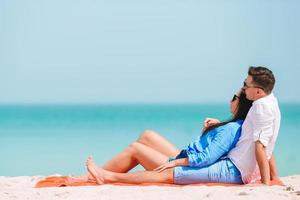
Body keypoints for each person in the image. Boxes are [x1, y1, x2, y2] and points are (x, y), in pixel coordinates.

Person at [84, 90, 253, 185]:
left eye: (234, 97)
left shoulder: (231, 128)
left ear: (241, 103)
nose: (230, 100)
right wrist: (214, 128)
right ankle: (97, 175)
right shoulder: (232, 126)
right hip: (186, 155)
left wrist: (176, 162)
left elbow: (207, 158)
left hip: (188, 162)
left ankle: (93, 177)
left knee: (135, 149)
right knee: (147, 136)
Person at [227, 66, 281, 185]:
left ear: (258, 92)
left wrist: (265, 183)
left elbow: (261, 146)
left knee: (180, 174)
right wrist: (275, 177)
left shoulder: (260, 106)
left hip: (238, 168)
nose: (243, 89)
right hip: (244, 168)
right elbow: (268, 145)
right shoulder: (272, 100)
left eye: (246, 85)